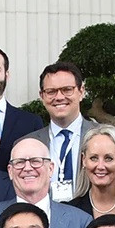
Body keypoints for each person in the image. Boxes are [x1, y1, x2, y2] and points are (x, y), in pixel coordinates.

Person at [21, 61, 93, 201]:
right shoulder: (27, 144)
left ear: (81, 92)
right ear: (42, 96)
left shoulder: (108, 137)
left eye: (67, 90)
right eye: (51, 92)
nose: (59, 97)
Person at [70, 125, 115, 218]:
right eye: (94, 158)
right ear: (83, 160)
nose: (100, 166)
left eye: (108, 158)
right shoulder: (71, 211)